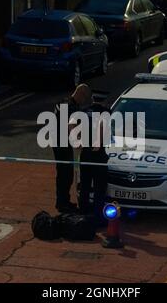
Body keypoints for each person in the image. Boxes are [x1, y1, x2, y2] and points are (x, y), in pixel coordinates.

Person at [52, 84, 93, 213]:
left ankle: (63, 201)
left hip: (59, 143)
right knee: (65, 174)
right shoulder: (70, 107)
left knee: (64, 174)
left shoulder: (63, 103)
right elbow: (72, 128)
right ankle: (62, 203)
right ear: (80, 94)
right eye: (85, 98)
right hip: (62, 144)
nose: (84, 101)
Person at [73, 96, 111, 227]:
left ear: (92, 99)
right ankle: (98, 216)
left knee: (85, 185)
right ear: (104, 101)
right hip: (99, 155)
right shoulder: (106, 112)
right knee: (99, 187)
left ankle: (83, 213)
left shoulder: (83, 111)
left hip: (85, 154)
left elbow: (70, 124)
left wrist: (76, 141)